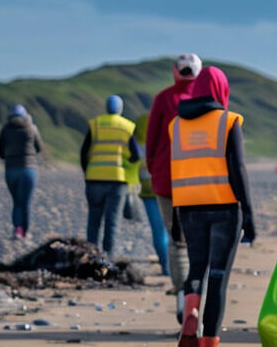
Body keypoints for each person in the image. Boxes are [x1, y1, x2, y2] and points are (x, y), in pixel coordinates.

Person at [171, 67, 256, 347]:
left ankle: (190, 308)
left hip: (188, 208)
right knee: (218, 279)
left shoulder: (175, 126)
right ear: (222, 90)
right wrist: (248, 214)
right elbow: (239, 170)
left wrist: (175, 218)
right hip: (223, 208)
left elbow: (174, 171)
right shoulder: (229, 121)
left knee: (196, 271)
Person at [147, 54, 210, 320]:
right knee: (197, 243)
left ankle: (182, 300)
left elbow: (151, 142)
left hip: (168, 179)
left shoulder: (164, 99)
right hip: (200, 181)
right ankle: (193, 299)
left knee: (177, 242)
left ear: (175, 71)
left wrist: (155, 170)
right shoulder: (209, 99)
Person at [80, 95, 141, 256]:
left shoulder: (96, 124)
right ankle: (108, 258)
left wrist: (87, 171)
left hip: (94, 179)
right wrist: (126, 161)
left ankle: (91, 256)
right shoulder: (126, 127)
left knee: (93, 221)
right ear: (120, 109)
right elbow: (136, 155)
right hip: (117, 180)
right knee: (112, 221)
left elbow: (83, 152)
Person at [0, 104, 43, 239]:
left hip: (11, 170)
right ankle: (25, 232)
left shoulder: (5, 129)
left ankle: (17, 230)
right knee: (25, 202)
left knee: (16, 201)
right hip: (29, 169)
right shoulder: (32, 128)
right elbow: (39, 147)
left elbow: (0, 152)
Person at [132, 112, 171, 275]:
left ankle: (165, 265)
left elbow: (133, 155)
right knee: (171, 230)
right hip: (169, 185)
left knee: (157, 231)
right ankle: (172, 267)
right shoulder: (172, 123)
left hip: (147, 185)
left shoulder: (139, 126)